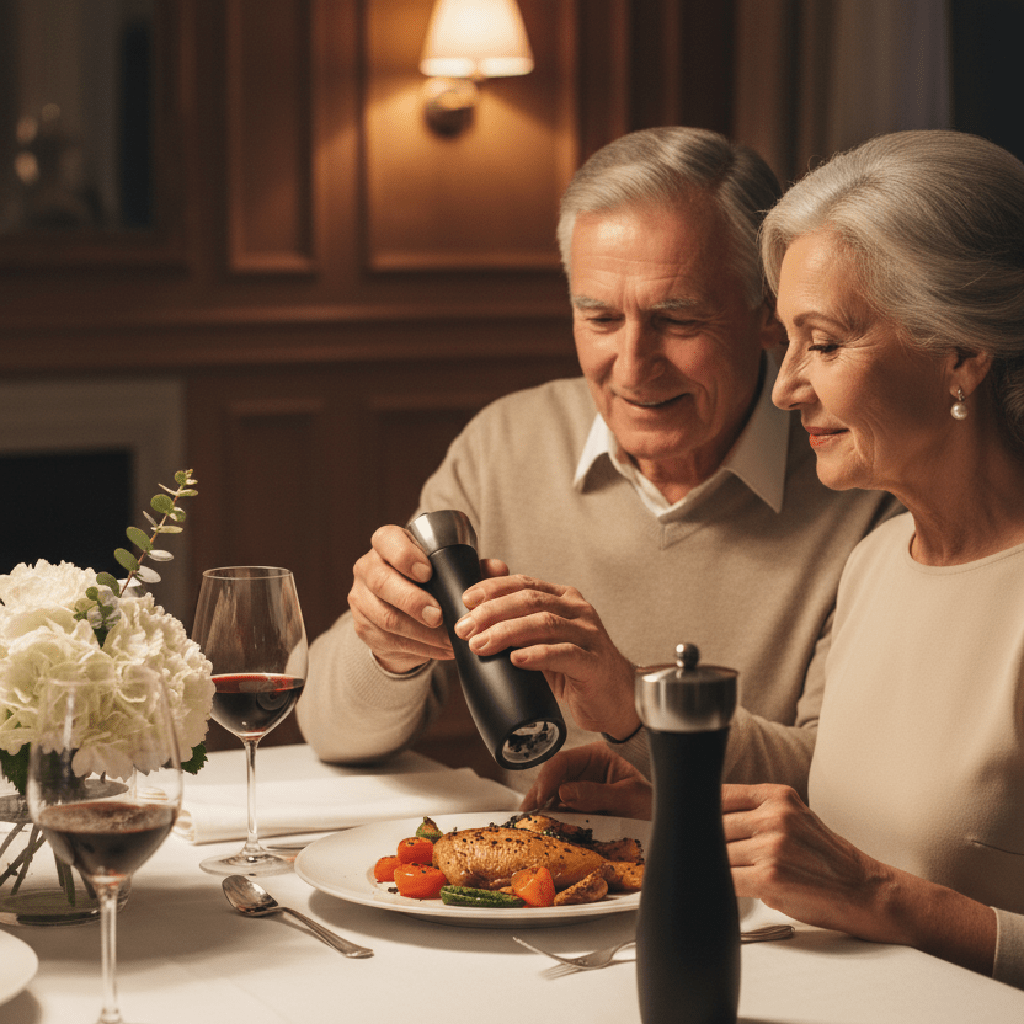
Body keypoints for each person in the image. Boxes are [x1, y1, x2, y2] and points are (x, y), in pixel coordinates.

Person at [530, 129, 1024, 988]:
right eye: (787, 339)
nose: (788, 384)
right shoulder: (877, 561)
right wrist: (664, 793)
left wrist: (884, 897)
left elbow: (875, 879)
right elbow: (852, 811)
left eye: (824, 343)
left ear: (962, 355)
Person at [296, 127, 895, 794]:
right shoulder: (505, 443)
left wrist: (631, 703)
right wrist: (387, 651)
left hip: (741, 892)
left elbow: (834, 786)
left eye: (678, 320)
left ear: (767, 312)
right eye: (601, 320)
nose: (633, 367)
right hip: (532, 884)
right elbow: (329, 731)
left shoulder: (862, 482)